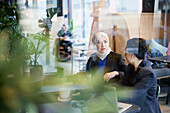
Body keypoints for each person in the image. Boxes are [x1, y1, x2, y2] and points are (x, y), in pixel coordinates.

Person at [119, 38, 161, 113]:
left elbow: (132, 95)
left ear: (132, 55)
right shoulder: (131, 67)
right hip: (134, 105)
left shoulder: (148, 73)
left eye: (125, 52)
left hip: (144, 109)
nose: (124, 55)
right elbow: (122, 83)